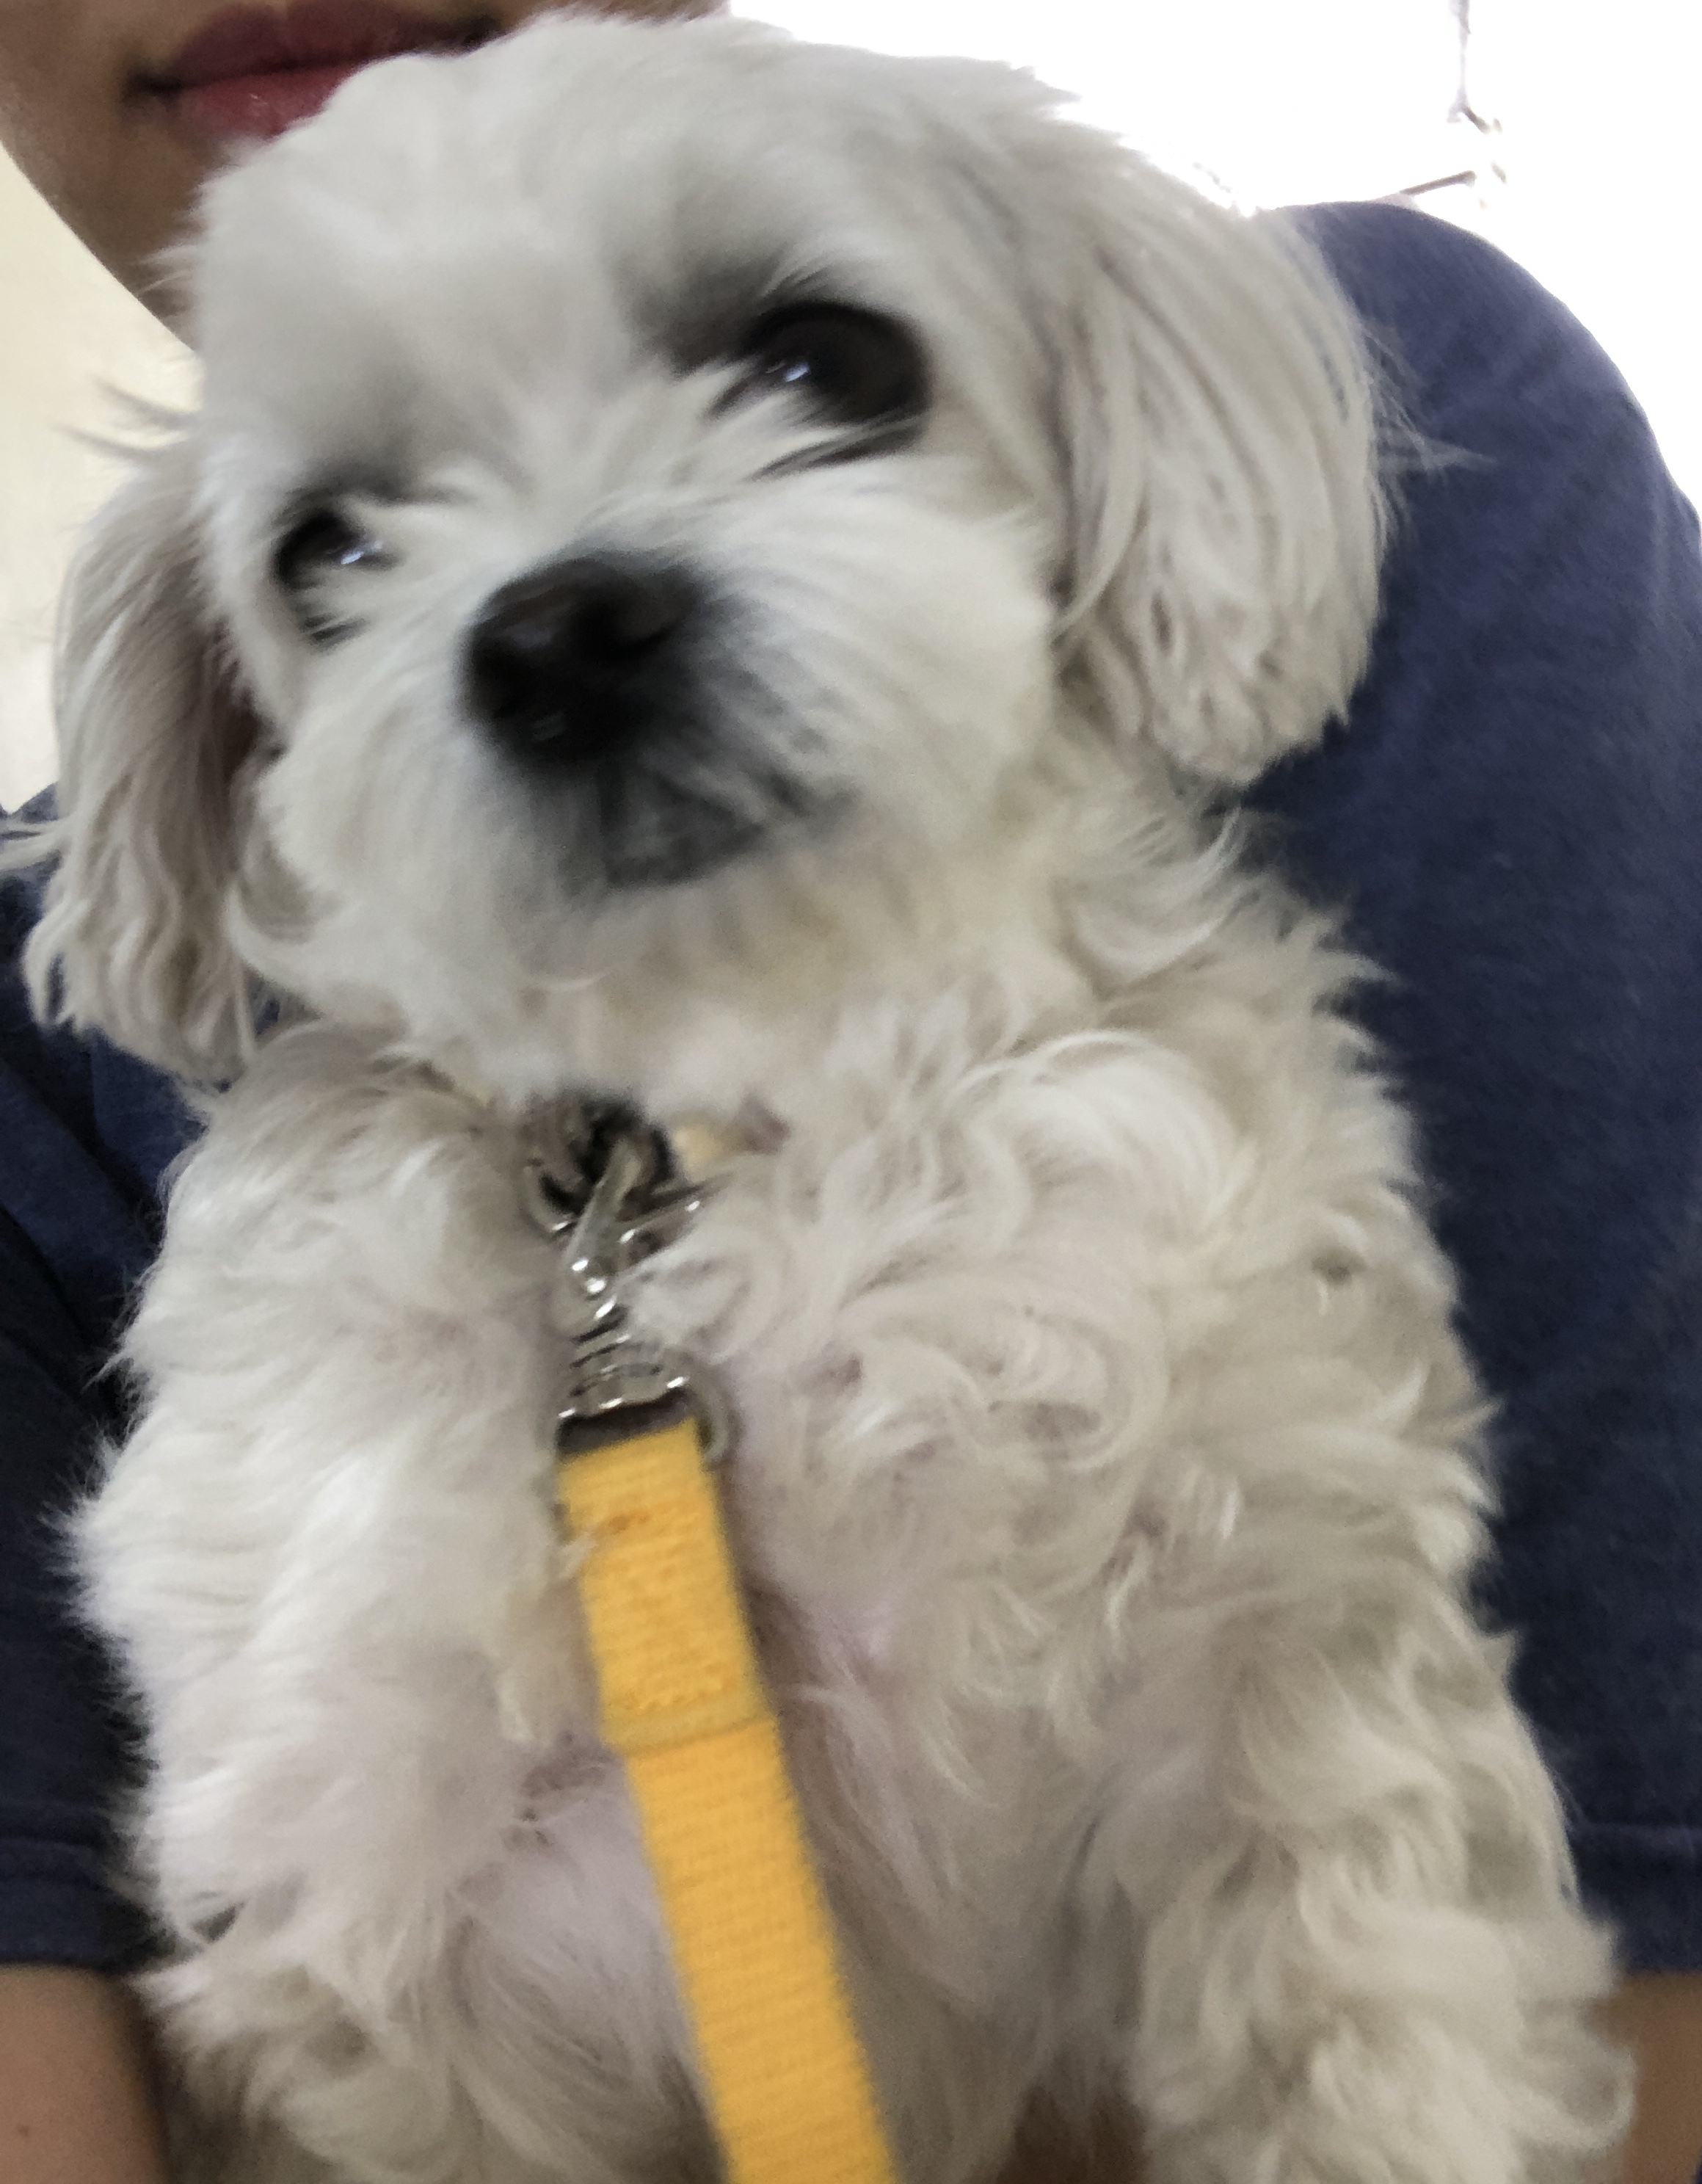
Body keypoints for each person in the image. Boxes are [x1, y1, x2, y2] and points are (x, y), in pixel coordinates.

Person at [1, 5, 1698, 2181]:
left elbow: (1446, 1978)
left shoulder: (1208, 1162)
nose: (564, 608)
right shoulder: (252, 1316)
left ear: (1080, 416)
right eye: (341, 549)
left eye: (814, 371)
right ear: (224, 726)